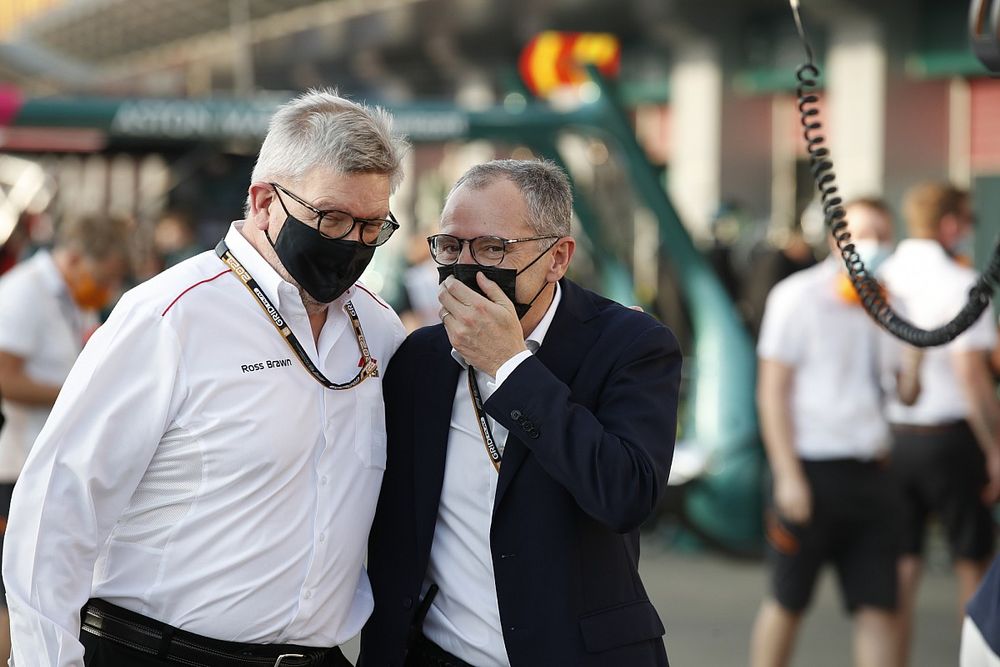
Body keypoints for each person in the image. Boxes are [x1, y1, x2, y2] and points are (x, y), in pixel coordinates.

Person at [2, 89, 408, 667]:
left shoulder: (378, 326)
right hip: (159, 652)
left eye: (372, 227)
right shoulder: (169, 316)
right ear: (264, 201)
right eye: (332, 219)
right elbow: (57, 506)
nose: (352, 243)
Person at [360, 159, 681, 666]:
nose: (465, 265)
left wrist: (511, 366)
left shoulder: (631, 344)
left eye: (492, 248)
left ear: (557, 258)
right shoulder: (419, 358)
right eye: (450, 246)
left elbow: (626, 495)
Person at [749, 198, 919, 667]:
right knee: (788, 600)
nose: (875, 245)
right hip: (808, 471)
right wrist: (787, 475)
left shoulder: (890, 303)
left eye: (883, 235)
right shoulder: (797, 297)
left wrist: (915, 361)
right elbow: (772, 392)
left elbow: (905, 396)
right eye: (864, 234)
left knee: (880, 607)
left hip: (872, 472)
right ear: (834, 239)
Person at [0, 213, 131, 663]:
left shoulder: (75, 296)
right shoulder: (23, 293)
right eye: (103, 277)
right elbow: (3, 377)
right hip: (14, 467)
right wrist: (78, 395)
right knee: (13, 598)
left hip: (53, 464)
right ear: (74, 258)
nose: (107, 289)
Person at [879, 182, 1000, 667]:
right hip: (951, 441)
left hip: (895, 439)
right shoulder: (959, 283)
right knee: (974, 565)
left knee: (901, 569)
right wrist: (994, 447)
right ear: (951, 223)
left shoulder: (881, 277)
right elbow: (971, 374)